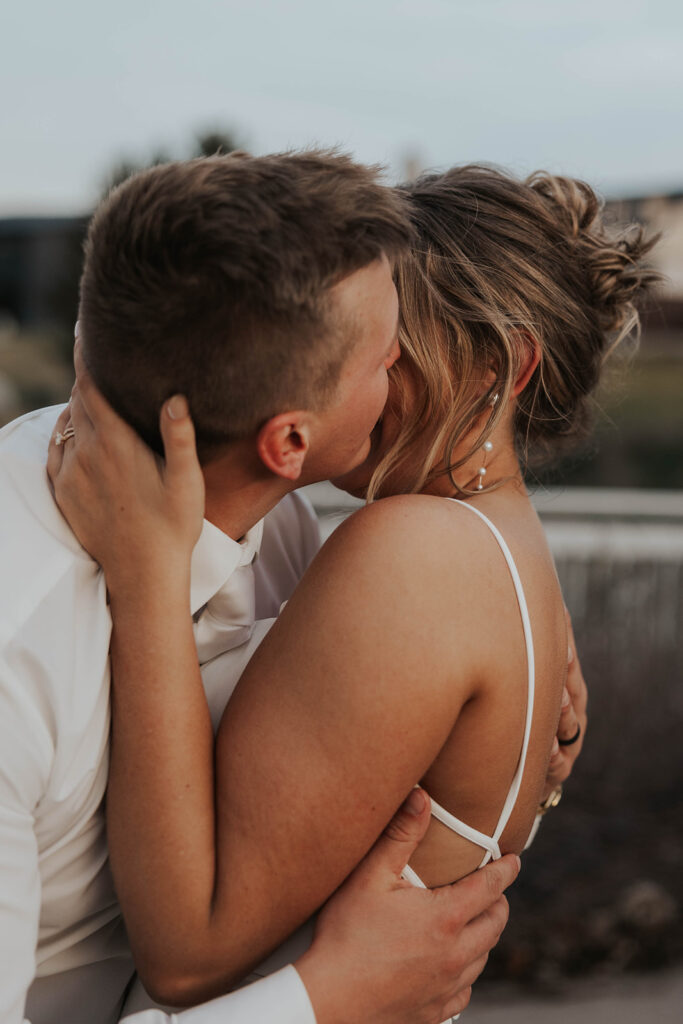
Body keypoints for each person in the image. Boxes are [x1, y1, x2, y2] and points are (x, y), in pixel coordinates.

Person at [48, 165, 638, 1014]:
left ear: (500, 367)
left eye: (391, 343)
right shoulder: (496, 561)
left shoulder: (419, 556)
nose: (342, 373)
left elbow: (188, 953)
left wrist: (146, 589)